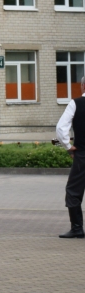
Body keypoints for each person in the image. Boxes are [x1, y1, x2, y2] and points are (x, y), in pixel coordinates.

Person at [56, 75, 85, 238]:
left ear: (82, 86)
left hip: (82, 154)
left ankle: (77, 228)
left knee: (73, 191)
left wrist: (68, 146)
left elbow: (61, 128)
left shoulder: (76, 103)